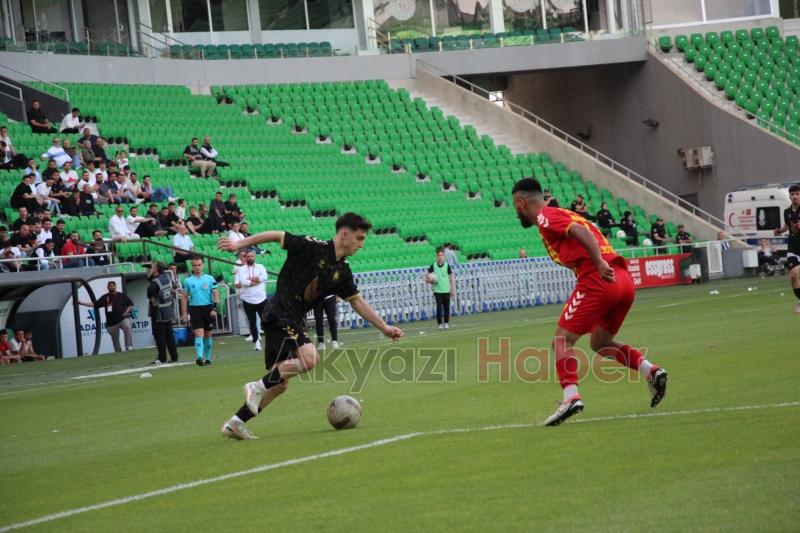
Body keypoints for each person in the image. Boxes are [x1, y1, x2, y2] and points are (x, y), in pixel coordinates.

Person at [216, 212, 404, 440]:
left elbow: (357, 301)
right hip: (280, 313)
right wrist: (239, 243)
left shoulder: (342, 271)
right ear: (345, 235)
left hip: (291, 319)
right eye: (360, 238)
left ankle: (235, 423)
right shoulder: (312, 246)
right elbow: (277, 235)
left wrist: (384, 328)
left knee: (279, 383)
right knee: (310, 358)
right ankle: (255, 387)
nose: (361, 244)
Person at [511, 178, 668, 426]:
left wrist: (597, 263)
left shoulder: (545, 216)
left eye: (514, 206)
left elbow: (580, 232)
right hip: (623, 281)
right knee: (600, 343)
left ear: (521, 203)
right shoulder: (563, 212)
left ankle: (570, 397)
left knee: (561, 340)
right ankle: (651, 371)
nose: (515, 211)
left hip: (598, 278)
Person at [181, 257, 219, 366]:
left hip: (208, 309)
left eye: (199, 265)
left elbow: (216, 294)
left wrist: (214, 308)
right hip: (195, 309)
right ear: (192, 266)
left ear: (202, 265)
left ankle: (207, 359)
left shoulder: (210, 278)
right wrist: (184, 313)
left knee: (207, 335)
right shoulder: (188, 281)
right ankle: (199, 357)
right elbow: (184, 297)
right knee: (199, 334)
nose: (197, 267)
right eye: (195, 265)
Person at [79, 281, 134, 352]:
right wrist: (81, 303)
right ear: (107, 287)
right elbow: (95, 304)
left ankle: (128, 346)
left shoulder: (121, 295)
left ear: (116, 286)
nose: (111, 287)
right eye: (110, 286)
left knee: (127, 327)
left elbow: (130, 304)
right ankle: (119, 353)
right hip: (111, 322)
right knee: (115, 339)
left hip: (122, 318)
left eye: (113, 285)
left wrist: (127, 311)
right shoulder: (105, 297)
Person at [235, 249, 268, 351]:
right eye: (247, 256)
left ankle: (271, 340)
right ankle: (257, 343)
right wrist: (257, 280)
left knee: (266, 321)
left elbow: (265, 277)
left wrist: (251, 280)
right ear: (245, 257)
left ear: (255, 257)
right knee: (252, 322)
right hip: (248, 300)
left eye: (251, 256)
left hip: (261, 298)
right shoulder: (241, 269)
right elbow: (244, 282)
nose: (249, 258)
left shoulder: (261, 266)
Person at [774, 184, 800, 313]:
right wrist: (780, 230)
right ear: (789, 196)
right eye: (793, 194)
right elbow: (788, 225)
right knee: (794, 275)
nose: (795, 197)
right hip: (793, 245)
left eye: (797, 194)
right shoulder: (787, 211)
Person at [147, 262, 179, 365]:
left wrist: (150, 274)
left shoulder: (156, 282)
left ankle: (162, 358)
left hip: (159, 313)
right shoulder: (166, 278)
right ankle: (174, 356)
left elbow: (149, 292)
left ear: (156, 270)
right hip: (168, 311)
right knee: (169, 335)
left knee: (159, 336)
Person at [426, 247, 456, 330]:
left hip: (446, 290)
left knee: (446, 308)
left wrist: (452, 288)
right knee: (439, 307)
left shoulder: (447, 266)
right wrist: (430, 280)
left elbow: (450, 277)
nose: (440, 257)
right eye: (438, 255)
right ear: (436, 256)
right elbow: (426, 276)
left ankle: (446, 323)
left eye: (442, 255)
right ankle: (439, 324)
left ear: (444, 256)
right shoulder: (433, 265)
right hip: (437, 290)